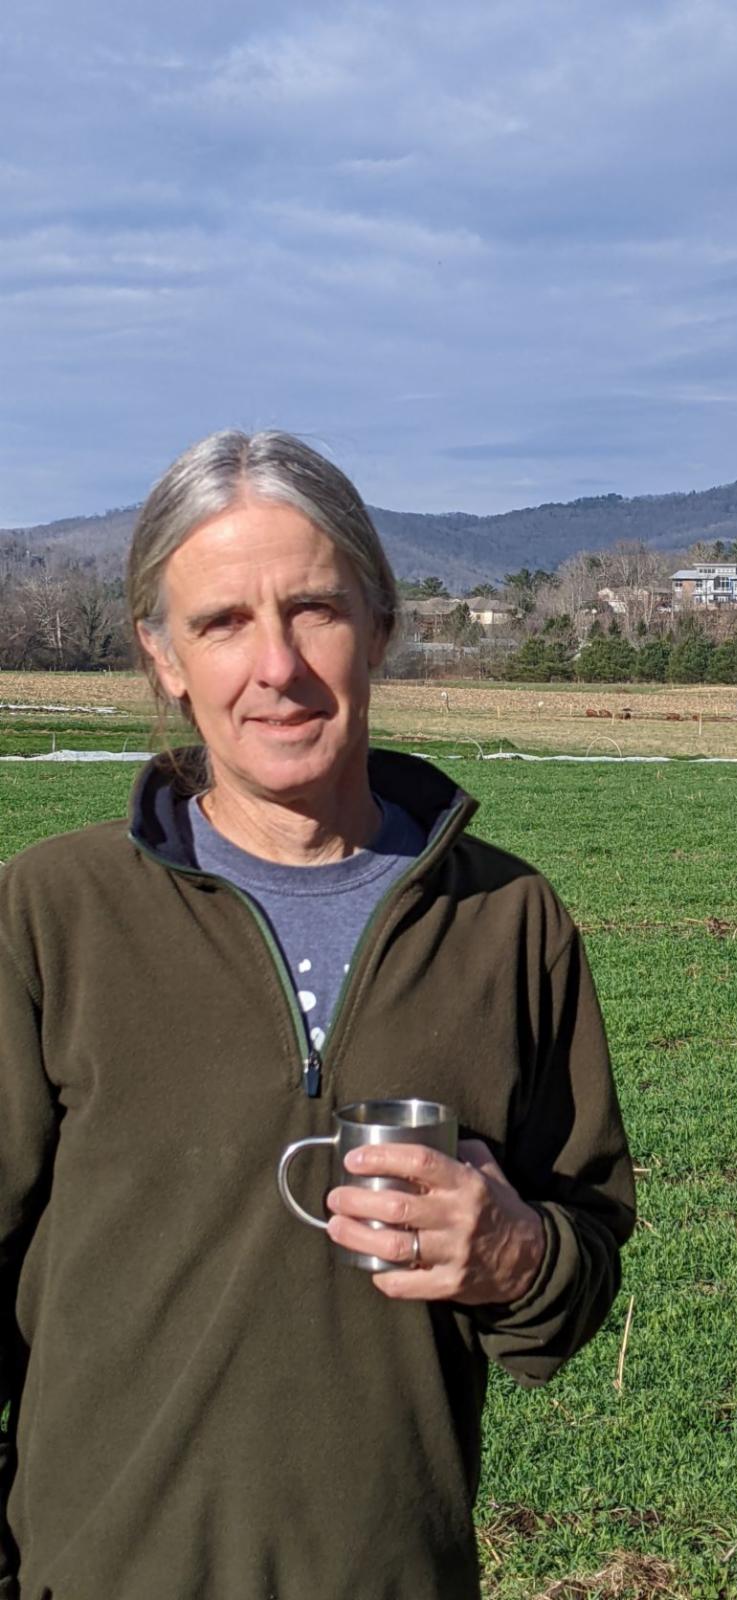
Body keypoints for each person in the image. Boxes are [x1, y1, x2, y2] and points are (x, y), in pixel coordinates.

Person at [0, 431, 635, 1600]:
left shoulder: (507, 922)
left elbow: (580, 1264)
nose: (277, 666)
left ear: (380, 625)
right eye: (222, 623)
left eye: (314, 610)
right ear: (164, 657)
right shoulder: (53, 914)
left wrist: (515, 1252)